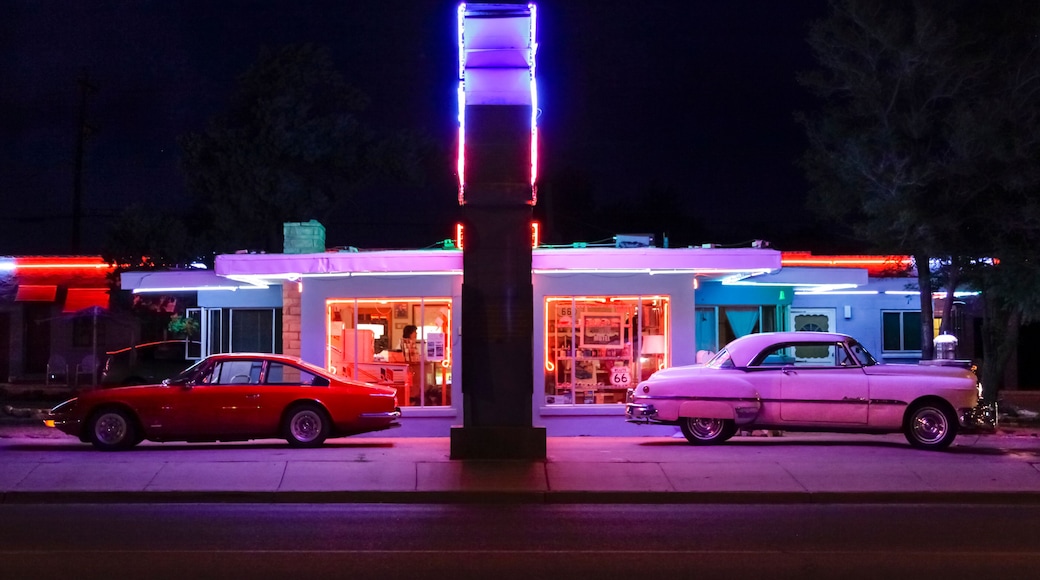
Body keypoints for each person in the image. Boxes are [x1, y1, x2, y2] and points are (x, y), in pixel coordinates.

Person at [399, 325, 421, 404]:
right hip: (409, 368)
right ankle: (410, 400)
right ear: (410, 333)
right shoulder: (407, 343)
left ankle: (411, 400)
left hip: (411, 368)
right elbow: (411, 358)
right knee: (411, 386)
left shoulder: (408, 342)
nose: (416, 334)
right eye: (415, 332)